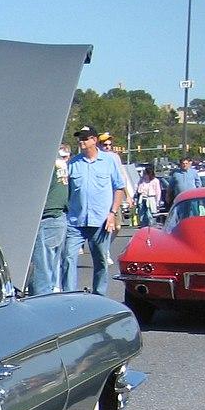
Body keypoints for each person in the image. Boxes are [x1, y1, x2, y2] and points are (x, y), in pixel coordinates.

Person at [64, 127, 125, 296]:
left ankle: (99, 295)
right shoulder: (73, 163)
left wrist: (112, 213)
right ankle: (69, 296)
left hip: (101, 221)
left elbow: (119, 188)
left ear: (94, 140)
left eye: (85, 138)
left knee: (101, 260)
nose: (81, 141)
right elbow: (66, 191)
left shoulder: (109, 161)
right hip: (76, 221)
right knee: (68, 257)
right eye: (79, 138)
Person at [28, 149, 70, 296]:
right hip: (58, 216)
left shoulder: (45, 161)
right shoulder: (58, 161)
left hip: (47, 217)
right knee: (50, 269)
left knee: (42, 272)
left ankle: (42, 300)